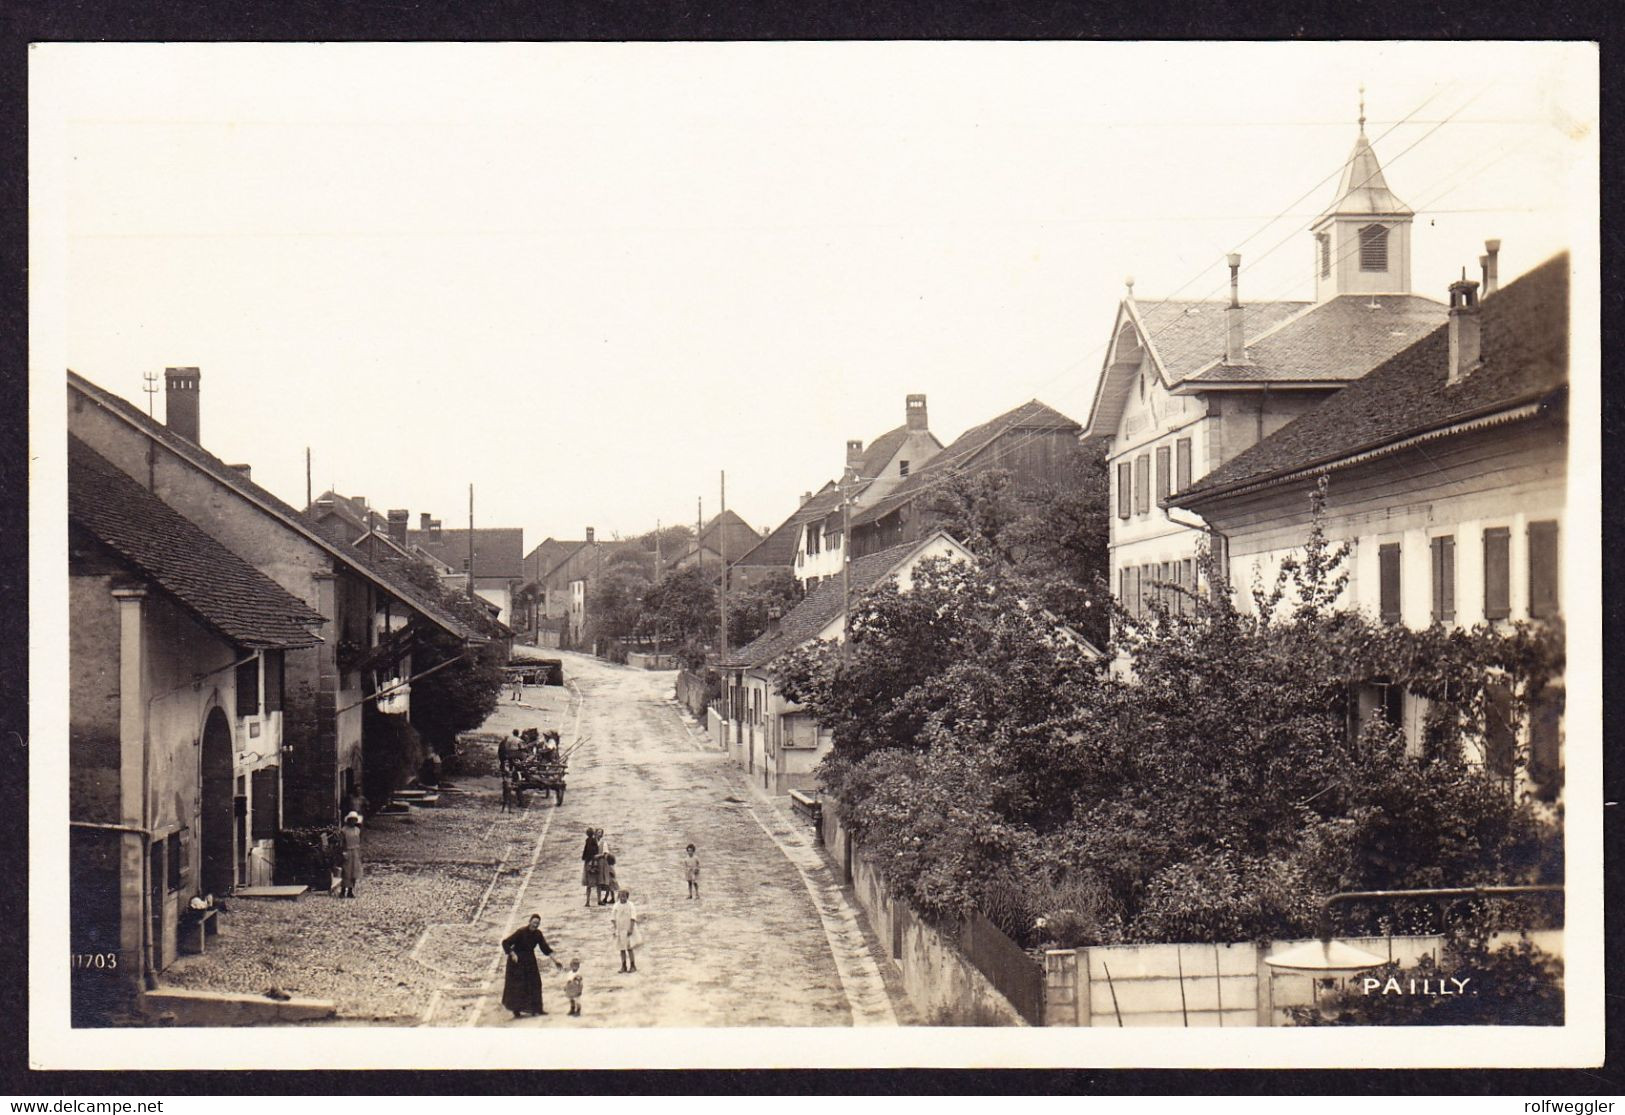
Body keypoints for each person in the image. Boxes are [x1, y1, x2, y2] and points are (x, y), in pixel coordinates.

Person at [502, 913, 563, 1018]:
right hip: (517, 961)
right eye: (534, 922)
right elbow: (505, 942)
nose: (535, 925)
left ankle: (538, 1009)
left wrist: (555, 960)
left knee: (536, 983)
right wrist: (512, 954)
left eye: (537, 923)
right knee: (519, 986)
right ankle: (516, 1010)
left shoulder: (538, 934)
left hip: (530, 960)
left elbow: (545, 948)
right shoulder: (520, 932)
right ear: (529, 921)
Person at [611, 889, 639, 973]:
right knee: (621, 948)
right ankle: (623, 965)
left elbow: (633, 917)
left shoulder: (630, 905)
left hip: (628, 929)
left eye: (624, 896)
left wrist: (631, 928)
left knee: (629, 948)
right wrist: (615, 928)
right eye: (621, 896)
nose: (622, 898)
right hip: (620, 929)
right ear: (619, 896)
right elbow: (613, 918)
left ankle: (633, 965)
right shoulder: (616, 905)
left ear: (627, 896)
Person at [339, 812, 363, 898]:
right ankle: (343, 890)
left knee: (354, 872)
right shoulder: (344, 830)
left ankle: (350, 891)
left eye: (354, 820)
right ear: (348, 820)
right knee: (346, 872)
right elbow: (341, 842)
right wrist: (342, 852)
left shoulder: (357, 830)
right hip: (347, 851)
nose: (353, 821)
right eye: (351, 819)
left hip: (355, 852)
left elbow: (359, 841)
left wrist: (359, 852)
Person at [580, 827, 600, 907]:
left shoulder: (588, 841)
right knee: (597, 883)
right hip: (593, 863)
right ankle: (598, 900)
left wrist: (585, 859)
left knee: (589, 884)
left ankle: (588, 901)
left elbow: (586, 853)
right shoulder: (593, 841)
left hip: (589, 863)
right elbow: (595, 852)